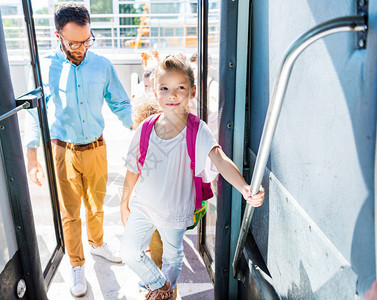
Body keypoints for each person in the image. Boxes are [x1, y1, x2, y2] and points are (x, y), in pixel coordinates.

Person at [120, 54, 265, 299]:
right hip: (143, 206)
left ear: (192, 91)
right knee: (129, 252)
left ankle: (164, 288)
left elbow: (220, 159)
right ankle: (160, 285)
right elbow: (133, 168)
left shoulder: (197, 130)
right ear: (155, 92)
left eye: (180, 88)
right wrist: (124, 202)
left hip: (175, 210)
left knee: (172, 256)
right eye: (164, 88)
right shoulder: (146, 128)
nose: (172, 95)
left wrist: (244, 187)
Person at [24, 3, 132, 297]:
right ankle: (76, 264)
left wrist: (145, 129)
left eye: (87, 40)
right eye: (74, 42)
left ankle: (97, 245)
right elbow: (36, 113)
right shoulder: (43, 65)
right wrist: (32, 157)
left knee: (96, 206)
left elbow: (121, 104)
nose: (82, 47)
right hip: (62, 151)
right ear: (57, 35)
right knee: (69, 213)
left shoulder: (102, 65)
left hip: (96, 148)